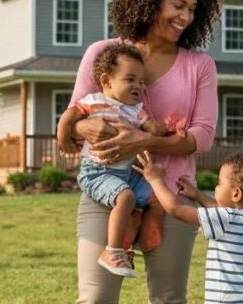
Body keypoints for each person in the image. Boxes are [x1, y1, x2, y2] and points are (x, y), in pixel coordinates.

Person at [69, 0, 221, 303]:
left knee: (169, 298)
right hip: (105, 189)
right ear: (150, 0)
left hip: (170, 195)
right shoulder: (103, 54)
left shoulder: (200, 65)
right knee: (95, 298)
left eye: (193, 9)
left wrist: (145, 140)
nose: (185, 17)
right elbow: (75, 116)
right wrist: (85, 127)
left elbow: (203, 135)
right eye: (178, 5)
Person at [57, 43, 181, 278]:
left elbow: (152, 129)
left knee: (156, 196)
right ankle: (113, 251)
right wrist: (63, 133)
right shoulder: (93, 101)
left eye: (141, 82)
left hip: (130, 172)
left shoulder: (136, 110)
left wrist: (170, 128)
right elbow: (69, 116)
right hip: (99, 172)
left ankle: (138, 235)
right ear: (106, 81)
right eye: (130, 79)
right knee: (126, 198)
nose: (138, 86)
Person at [135, 151, 243, 304]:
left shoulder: (225, 219)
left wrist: (156, 180)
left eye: (220, 183)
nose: (216, 187)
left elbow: (176, 210)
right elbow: (219, 209)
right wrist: (197, 195)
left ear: (236, 194)